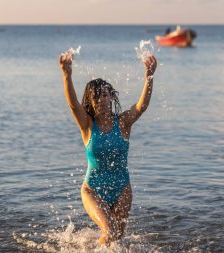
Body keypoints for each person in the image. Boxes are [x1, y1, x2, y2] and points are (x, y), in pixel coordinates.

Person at [59, 52, 157, 246]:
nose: (102, 100)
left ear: (111, 96)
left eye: (105, 94)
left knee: (116, 239)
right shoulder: (87, 125)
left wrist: (149, 77)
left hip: (122, 190)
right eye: (96, 97)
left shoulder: (123, 123)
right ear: (90, 102)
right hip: (92, 190)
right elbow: (72, 104)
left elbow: (141, 106)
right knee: (110, 230)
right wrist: (67, 75)